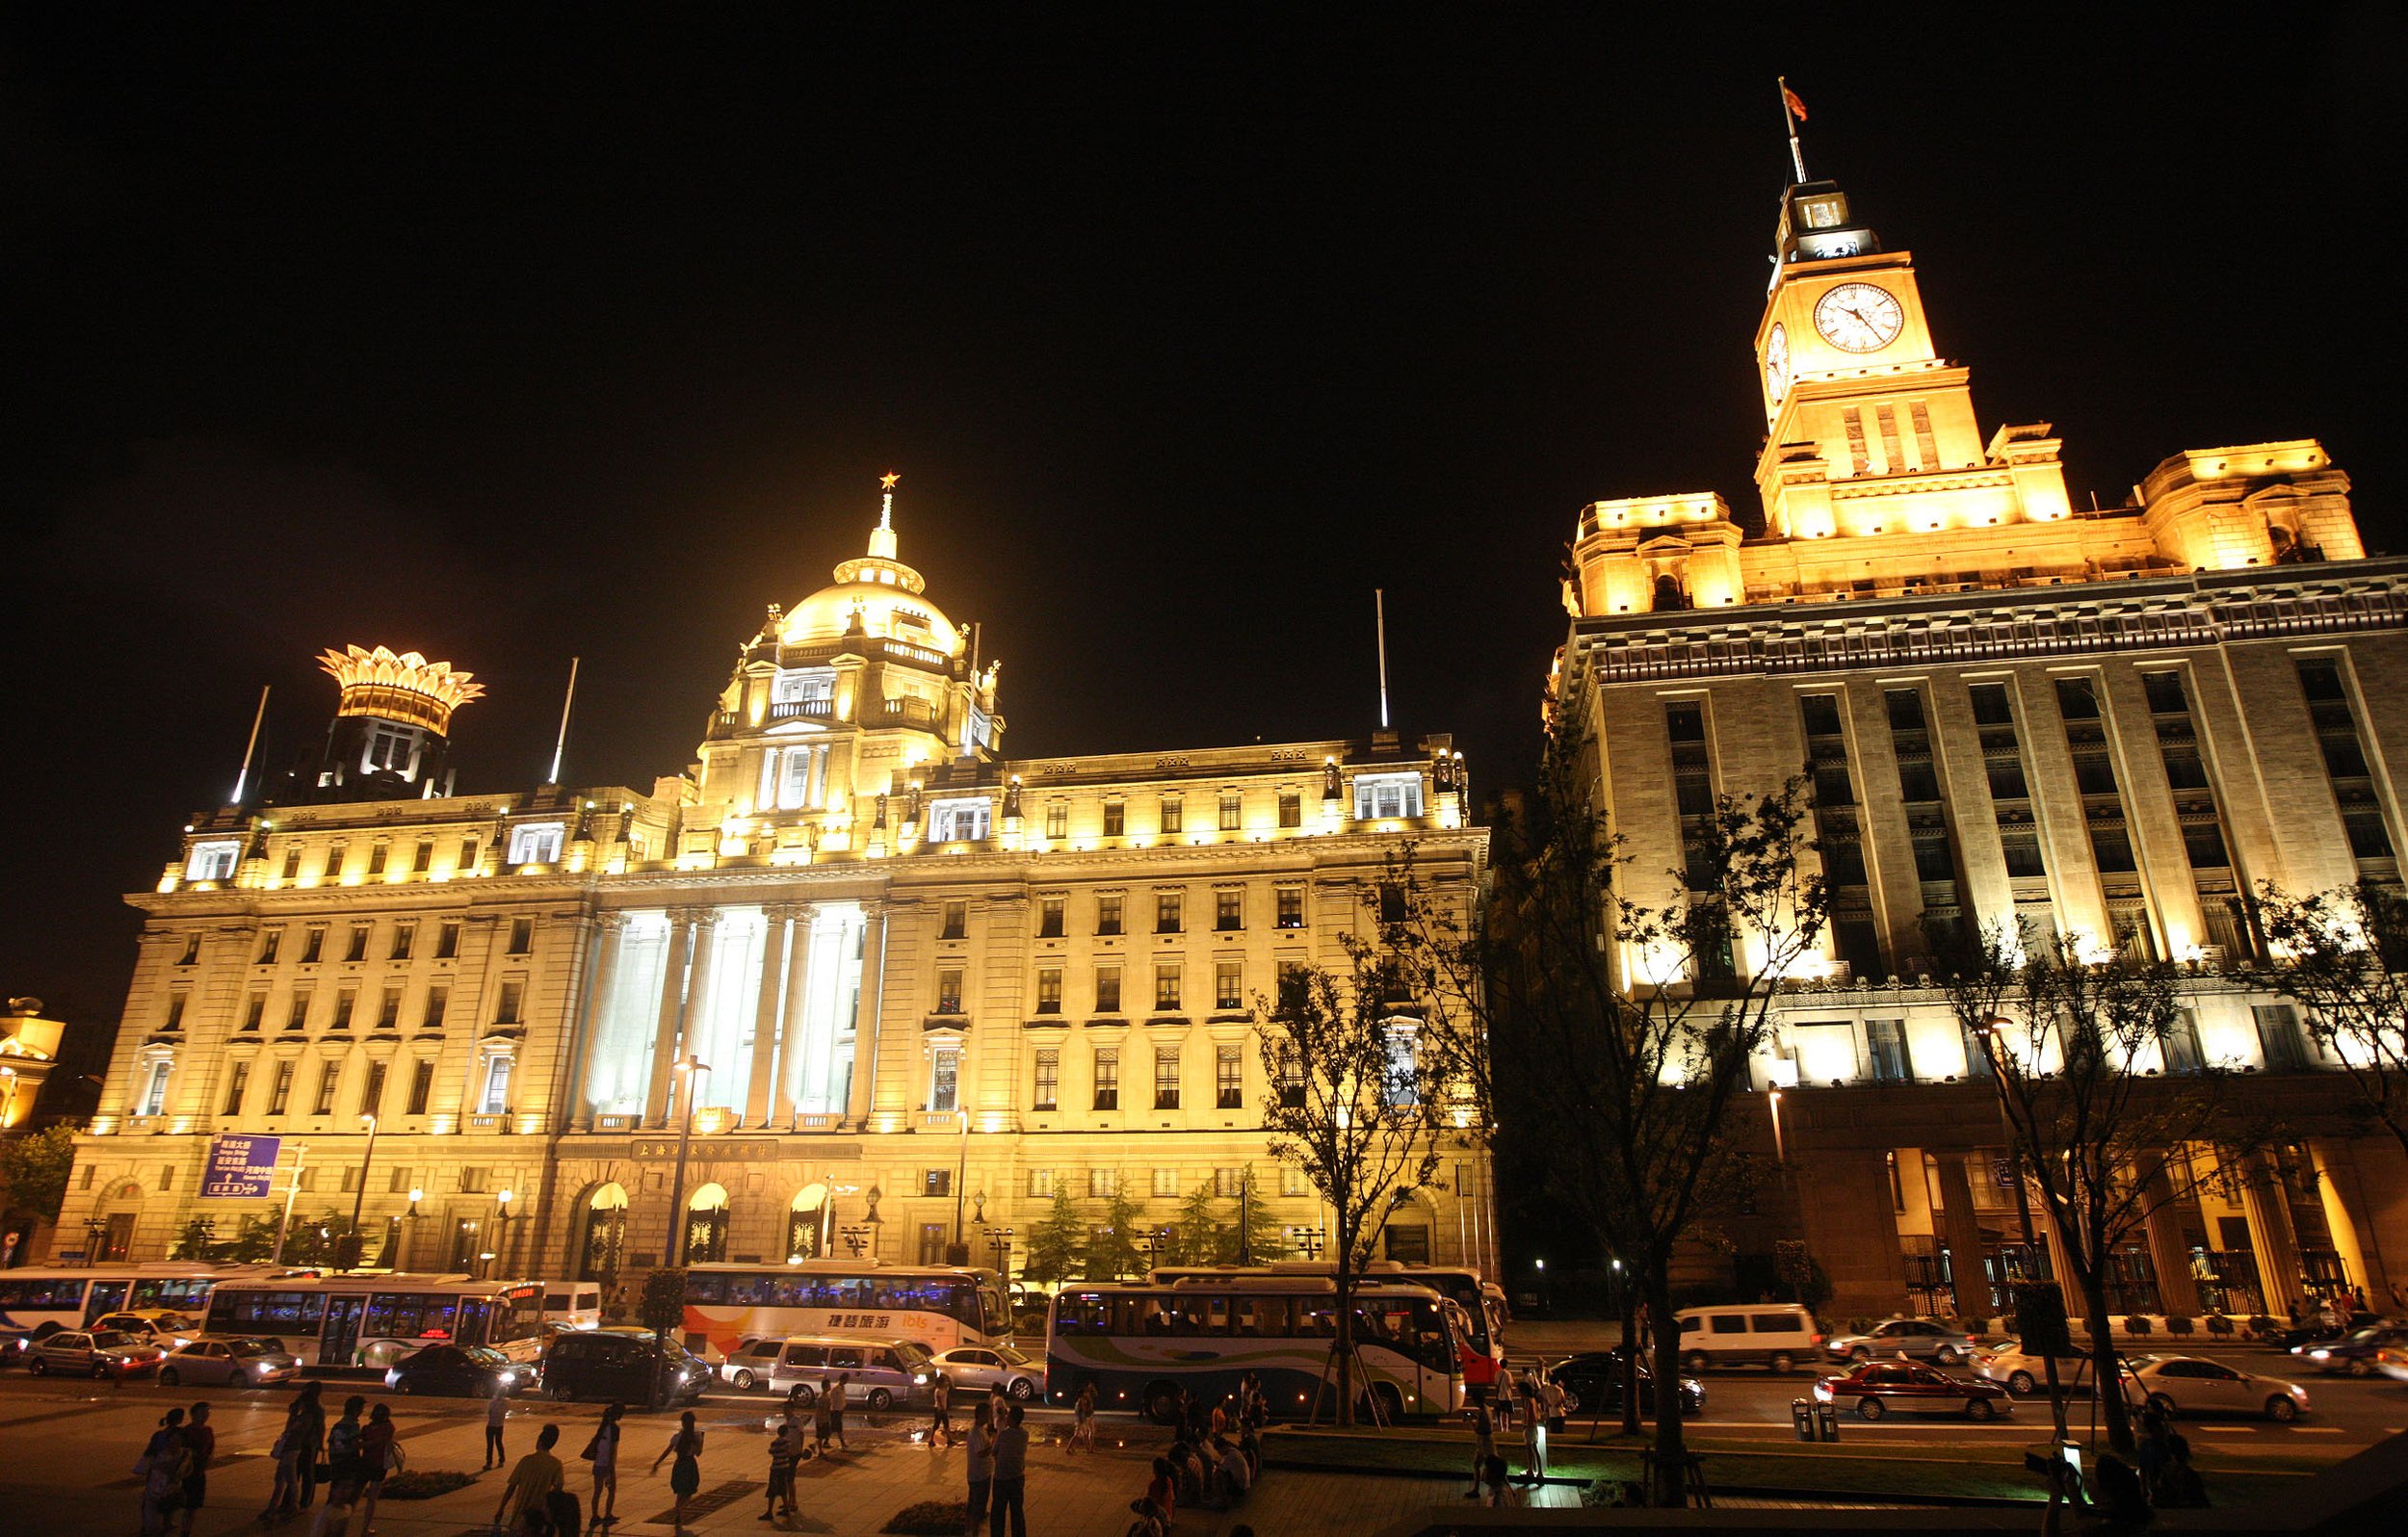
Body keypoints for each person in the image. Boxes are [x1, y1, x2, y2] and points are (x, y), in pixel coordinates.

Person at [307, 1396, 368, 1537]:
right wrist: (367, 1443)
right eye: (360, 1409)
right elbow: (353, 1445)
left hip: (336, 1463)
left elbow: (332, 1443)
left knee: (335, 1491)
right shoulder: (352, 1425)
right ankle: (336, 1527)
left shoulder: (338, 1425)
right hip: (347, 1463)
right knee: (344, 1493)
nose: (361, 1412)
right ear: (356, 1410)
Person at [494, 1423, 565, 1536]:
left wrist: (501, 1509)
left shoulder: (526, 1461)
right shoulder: (555, 1464)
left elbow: (511, 1488)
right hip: (538, 1520)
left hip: (519, 1519)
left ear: (539, 1441)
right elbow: (558, 1490)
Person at [271, 1381, 327, 1518]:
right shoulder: (314, 1408)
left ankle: (293, 1503)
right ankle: (299, 1502)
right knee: (303, 1474)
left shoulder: (309, 1407)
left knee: (298, 1474)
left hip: (305, 1444)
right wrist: (320, 1443)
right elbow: (320, 1428)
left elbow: (317, 1427)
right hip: (307, 1444)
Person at [136, 1406, 190, 1537]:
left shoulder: (159, 1434)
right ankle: (163, 1523)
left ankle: (150, 1526)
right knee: (164, 1500)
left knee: (154, 1502)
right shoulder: (176, 1436)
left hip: (155, 1476)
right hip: (162, 1478)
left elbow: (149, 1453)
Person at [650, 1411, 705, 1537]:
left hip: (679, 1464)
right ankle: (680, 1510)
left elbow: (668, 1450)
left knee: (680, 1492)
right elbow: (698, 1453)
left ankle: (678, 1513)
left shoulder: (678, 1437)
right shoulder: (696, 1437)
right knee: (690, 1490)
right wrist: (701, 1443)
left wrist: (657, 1463)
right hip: (690, 1464)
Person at [356, 1401, 400, 1537]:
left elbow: (359, 1443)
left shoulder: (366, 1429)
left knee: (356, 1495)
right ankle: (365, 1528)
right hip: (379, 1465)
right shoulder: (389, 1428)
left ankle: (343, 1519)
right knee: (372, 1499)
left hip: (365, 1463)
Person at [583, 1402, 624, 1532]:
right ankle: (607, 1515)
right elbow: (612, 1449)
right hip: (608, 1464)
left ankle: (594, 1515)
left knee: (597, 1491)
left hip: (598, 1463)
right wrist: (611, 1468)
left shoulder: (602, 1427)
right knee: (611, 1490)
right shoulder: (615, 1429)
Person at [989, 1403, 1030, 1537]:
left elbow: (994, 1451)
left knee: (998, 1512)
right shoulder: (1024, 1434)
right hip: (1017, 1476)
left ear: (1011, 1419)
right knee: (1017, 1511)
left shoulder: (1004, 1435)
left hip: (1002, 1478)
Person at [176, 1401, 215, 1537]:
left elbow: (210, 1449)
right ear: (193, 1414)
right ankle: (181, 1529)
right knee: (187, 1504)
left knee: (193, 1506)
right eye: (202, 1413)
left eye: (207, 1413)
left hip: (199, 1472)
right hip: (188, 1472)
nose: (205, 1416)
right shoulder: (187, 1431)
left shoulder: (208, 1430)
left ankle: (186, 1530)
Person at [963, 1403, 995, 1537]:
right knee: (977, 1506)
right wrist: (994, 1446)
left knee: (974, 1504)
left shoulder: (981, 1430)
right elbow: (980, 1453)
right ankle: (973, 1531)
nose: (989, 1417)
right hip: (978, 1475)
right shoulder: (975, 1432)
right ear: (981, 1415)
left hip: (983, 1473)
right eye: (987, 1414)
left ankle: (970, 1530)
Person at [764, 1413, 801, 1523]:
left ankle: (769, 1511)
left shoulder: (774, 1443)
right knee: (783, 1488)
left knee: (772, 1489)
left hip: (776, 1468)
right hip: (785, 1466)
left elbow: (771, 1452)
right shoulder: (787, 1443)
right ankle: (786, 1507)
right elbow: (789, 1453)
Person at [1464, 1400, 1496, 1498]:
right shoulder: (1486, 1409)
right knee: (1477, 1464)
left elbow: (1478, 1429)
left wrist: (1470, 1420)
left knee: (1491, 1466)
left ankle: (1496, 1489)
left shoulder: (1483, 1413)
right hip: (1485, 1442)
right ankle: (1476, 1489)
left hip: (1485, 1442)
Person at [1209, 1435, 1250, 1509]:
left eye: (1219, 1450)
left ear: (1223, 1447)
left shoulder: (1231, 1455)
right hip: (1243, 1483)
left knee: (1218, 1475)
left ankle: (1222, 1499)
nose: (1219, 1453)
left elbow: (1220, 1470)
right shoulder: (1234, 1452)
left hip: (1240, 1486)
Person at [1143, 1455, 1178, 1529]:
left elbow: (1150, 1503)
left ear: (1155, 1470)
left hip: (1158, 1517)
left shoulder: (1154, 1484)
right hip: (1168, 1515)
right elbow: (1172, 1500)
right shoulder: (1168, 1481)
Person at [485, 1385, 511, 1470]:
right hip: (499, 1425)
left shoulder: (493, 1402)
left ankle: (489, 1463)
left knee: (490, 1444)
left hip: (491, 1425)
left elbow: (489, 1412)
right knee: (498, 1442)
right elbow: (506, 1410)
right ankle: (501, 1460)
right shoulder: (506, 1402)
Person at [1071, 1382, 1098, 1452]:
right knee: (1081, 1434)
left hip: (1087, 1417)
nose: (1087, 1393)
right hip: (1083, 1418)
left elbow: (1095, 1394)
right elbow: (1083, 1409)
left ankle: (1090, 1448)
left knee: (1085, 1433)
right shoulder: (1082, 1400)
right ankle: (1087, 1448)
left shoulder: (1087, 1397)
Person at [930, 1372, 954, 1447]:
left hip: (943, 1409)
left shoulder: (944, 1389)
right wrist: (943, 1409)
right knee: (936, 1425)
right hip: (939, 1410)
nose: (946, 1382)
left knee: (946, 1424)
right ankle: (931, 1440)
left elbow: (950, 1385)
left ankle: (949, 1439)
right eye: (944, 1381)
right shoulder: (938, 1391)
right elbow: (939, 1400)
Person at [827, 1373, 851, 1451]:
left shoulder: (842, 1387)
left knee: (833, 1428)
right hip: (835, 1410)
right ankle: (842, 1443)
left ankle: (825, 1441)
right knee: (838, 1427)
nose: (848, 1381)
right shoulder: (835, 1388)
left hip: (840, 1410)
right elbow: (831, 1399)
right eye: (847, 1379)